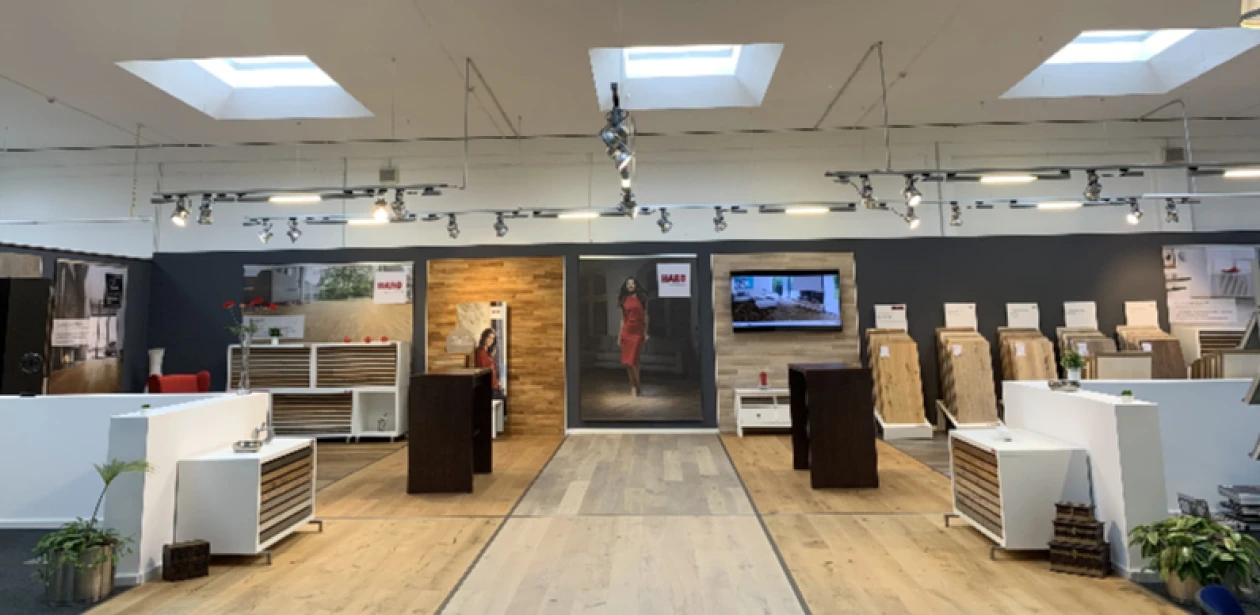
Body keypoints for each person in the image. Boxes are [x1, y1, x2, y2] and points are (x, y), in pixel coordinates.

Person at [617, 277, 649, 397]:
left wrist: (645, 332)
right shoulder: (624, 300)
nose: (630, 285)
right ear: (626, 286)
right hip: (627, 332)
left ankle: (637, 385)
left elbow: (646, 317)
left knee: (634, 361)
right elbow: (622, 319)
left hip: (637, 332)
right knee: (628, 362)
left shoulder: (642, 299)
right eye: (628, 284)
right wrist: (619, 336)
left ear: (636, 285)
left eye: (632, 283)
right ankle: (633, 387)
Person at [474, 328, 504, 398]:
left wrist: (498, 385)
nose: (491, 341)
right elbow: (483, 373)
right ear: (484, 337)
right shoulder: (481, 352)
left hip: (494, 387)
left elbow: (493, 372)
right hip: (489, 388)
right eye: (489, 337)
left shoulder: (487, 353)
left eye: (492, 339)